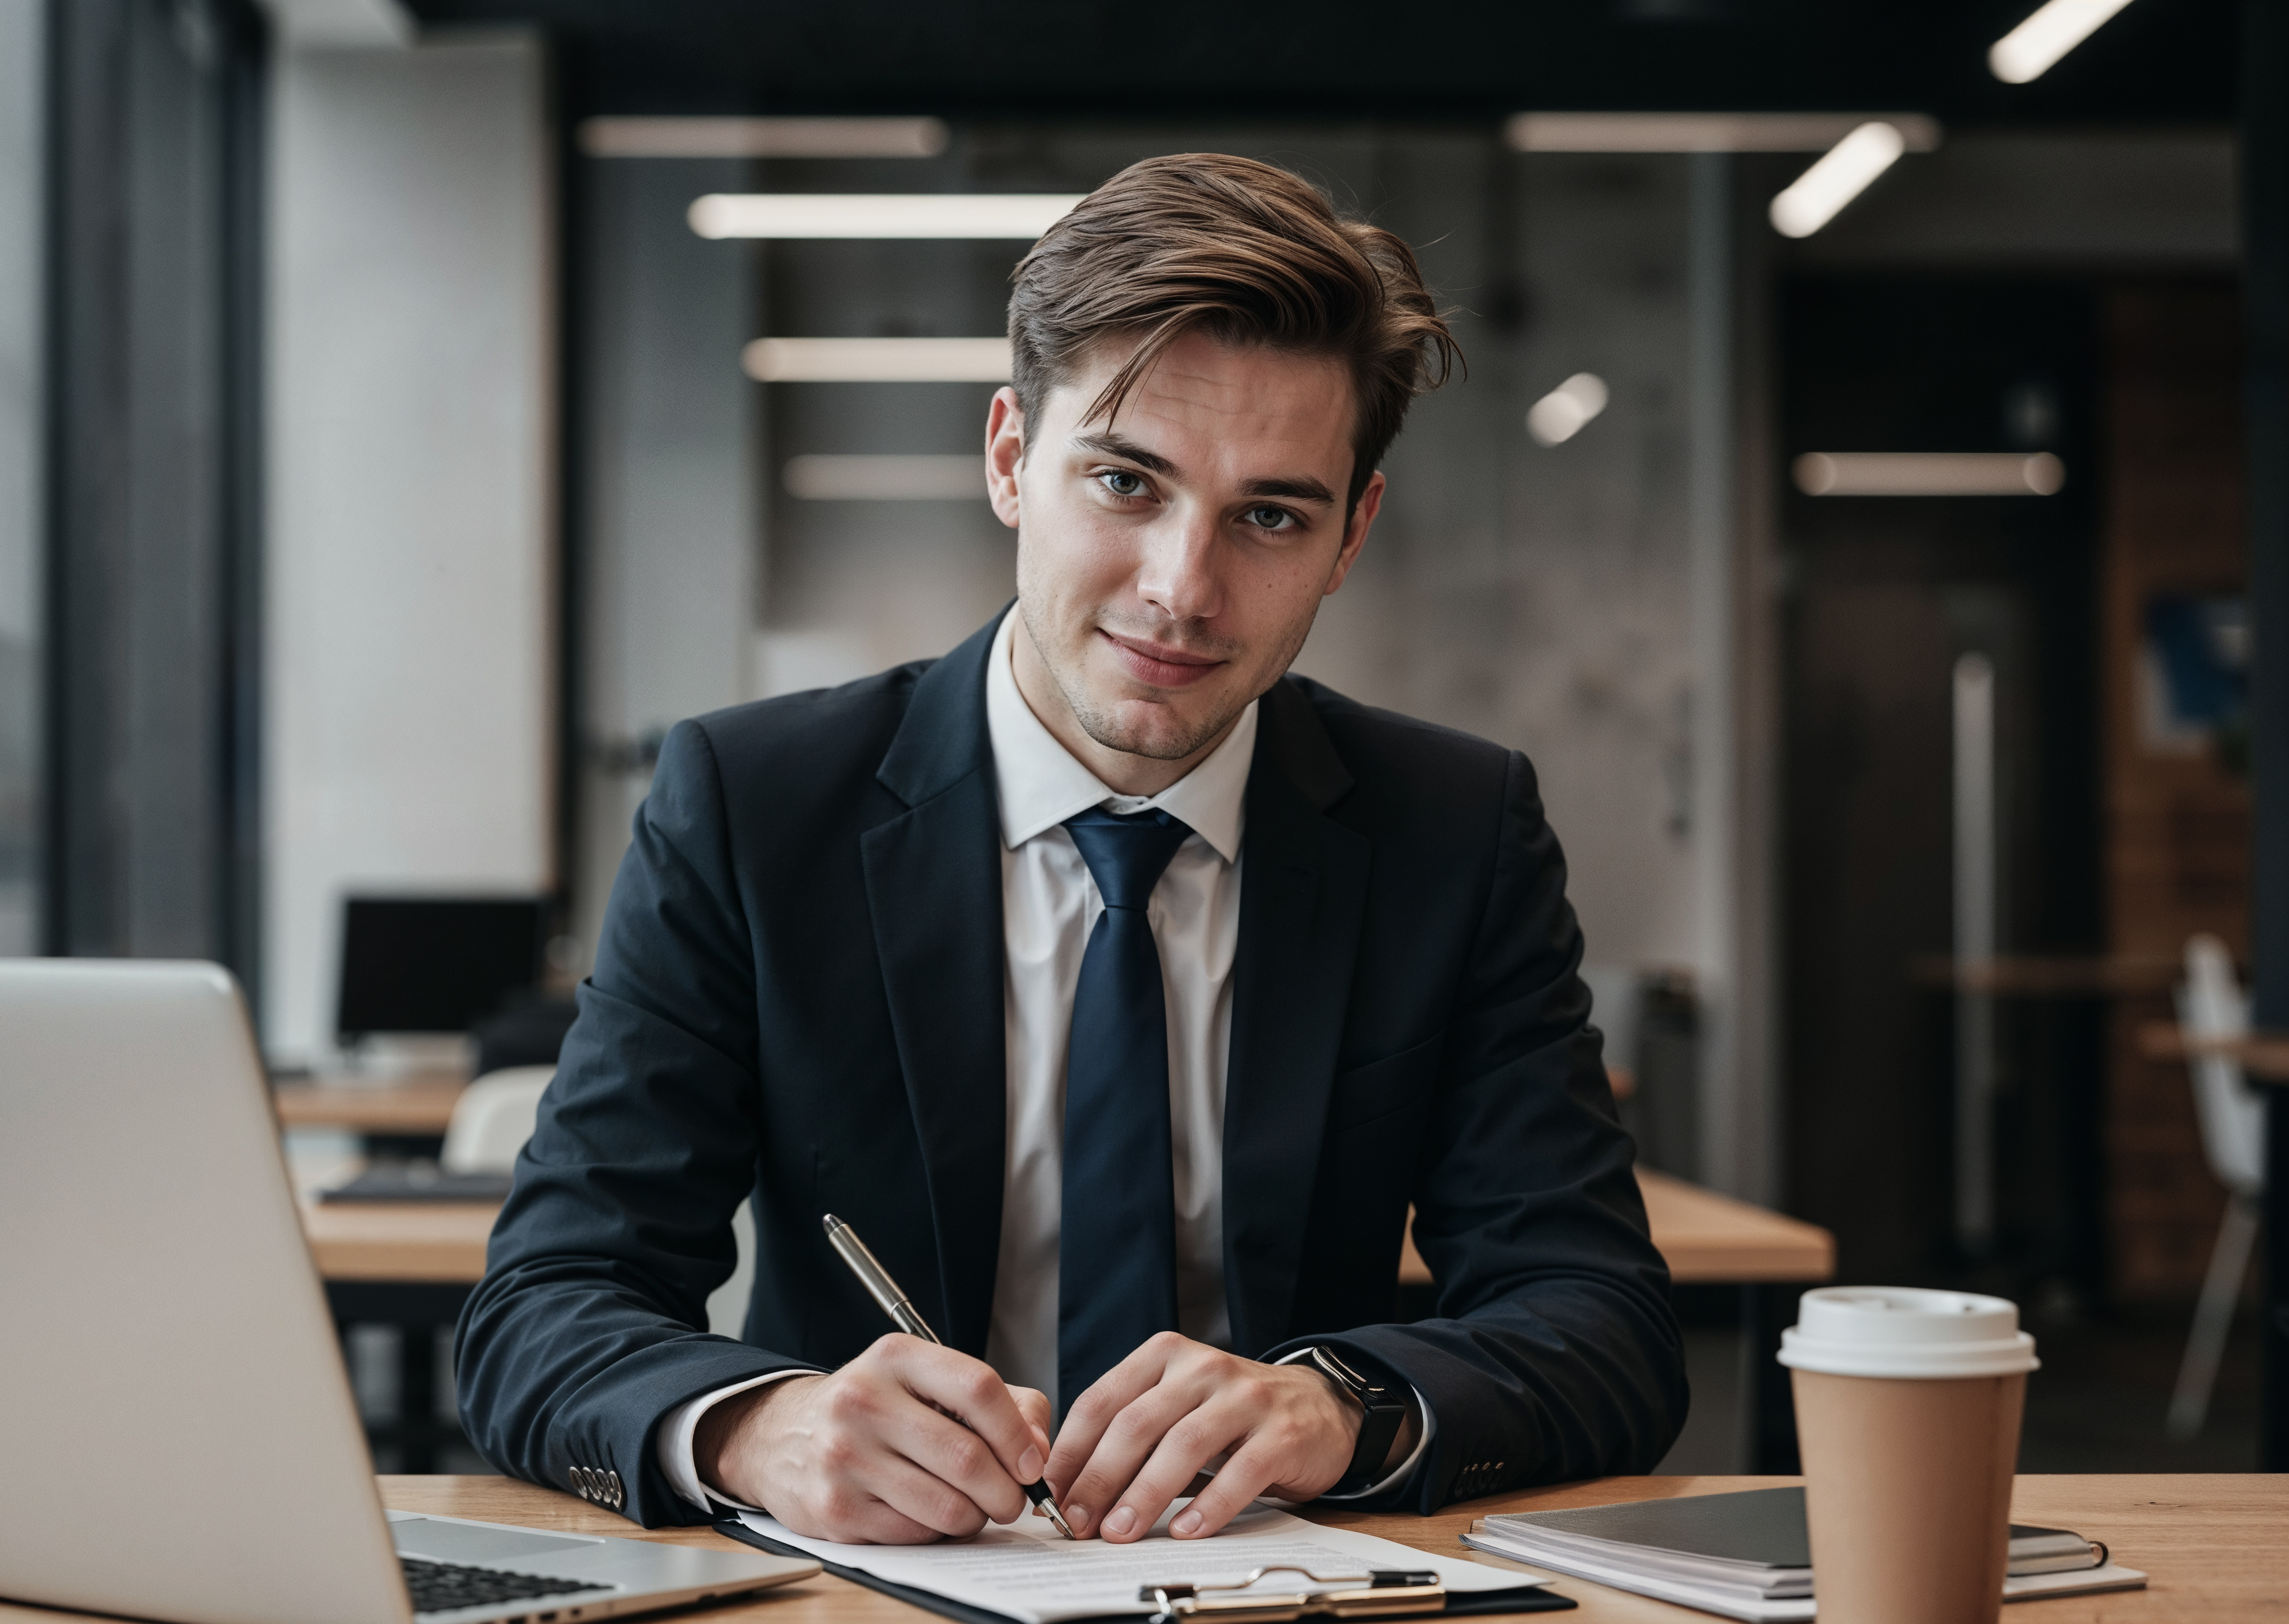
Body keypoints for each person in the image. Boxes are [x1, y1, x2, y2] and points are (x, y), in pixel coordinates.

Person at [456, 152, 1685, 1547]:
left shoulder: (1451, 831)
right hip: (863, 1600)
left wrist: (1345, 1406)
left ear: (1352, 536)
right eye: (1123, 481)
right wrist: (757, 1427)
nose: (1182, 589)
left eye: (1270, 516)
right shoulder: (754, 805)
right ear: (1008, 459)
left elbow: (1604, 1323)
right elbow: (544, 1307)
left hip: (1282, 1596)